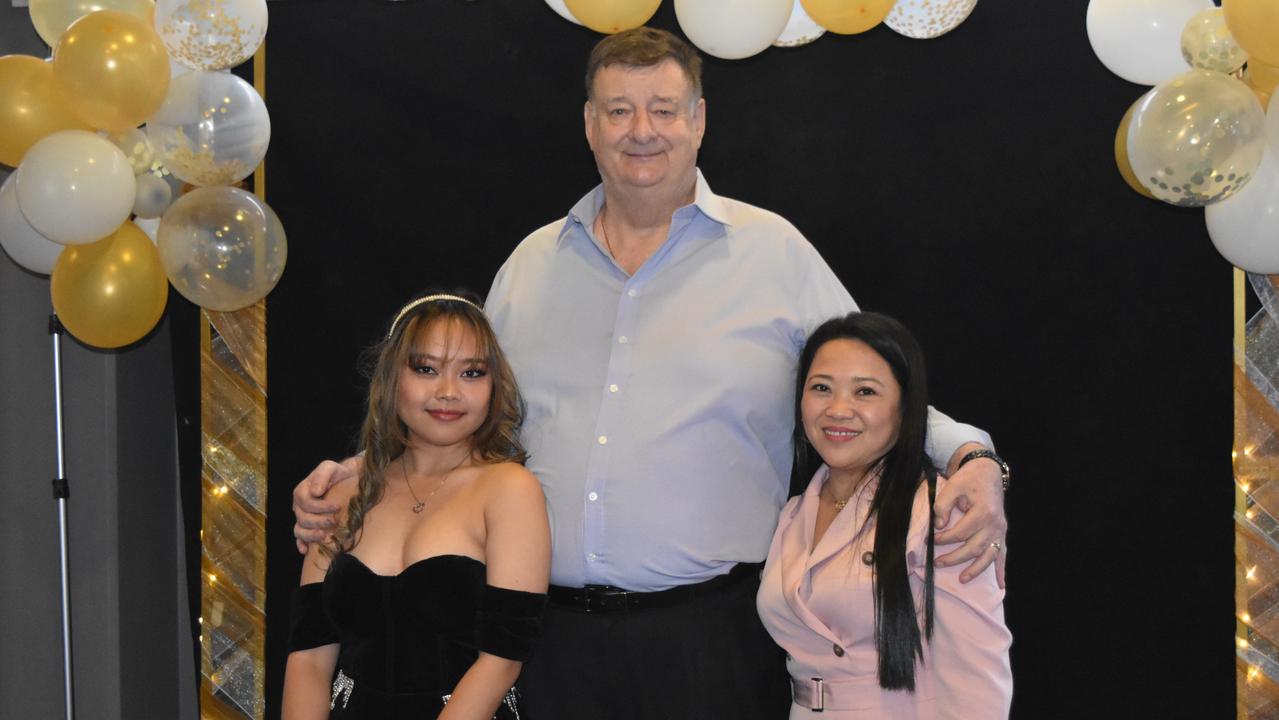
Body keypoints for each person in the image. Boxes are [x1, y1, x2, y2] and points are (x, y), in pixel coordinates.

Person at [293, 28, 1011, 719]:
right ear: (588, 124)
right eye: (619, 110)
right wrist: (362, 473)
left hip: (711, 640)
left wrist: (972, 456)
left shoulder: (773, 253)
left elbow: (878, 390)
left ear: (699, 121)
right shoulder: (531, 266)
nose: (642, 129)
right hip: (548, 643)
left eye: (663, 110)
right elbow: (459, 410)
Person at [282, 292, 550, 719]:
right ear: (391, 378)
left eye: (472, 372)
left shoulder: (510, 490)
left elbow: (502, 659)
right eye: (426, 369)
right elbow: (310, 656)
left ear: (493, 386)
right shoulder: (338, 495)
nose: (448, 392)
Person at [757, 312, 1012, 718]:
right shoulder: (792, 514)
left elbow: (978, 682)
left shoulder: (940, 510)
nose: (838, 409)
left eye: (865, 393)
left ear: (906, 407)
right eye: (821, 387)